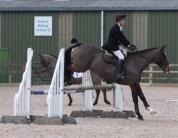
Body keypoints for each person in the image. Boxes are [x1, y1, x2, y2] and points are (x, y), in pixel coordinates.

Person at [102, 14, 137, 80]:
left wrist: (130, 44)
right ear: (119, 21)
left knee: (125, 52)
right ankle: (118, 74)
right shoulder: (115, 28)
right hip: (112, 46)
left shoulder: (118, 27)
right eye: (123, 20)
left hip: (116, 44)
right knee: (121, 57)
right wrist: (128, 46)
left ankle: (123, 71)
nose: (124, 22)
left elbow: (123, 37)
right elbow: (120, 39)